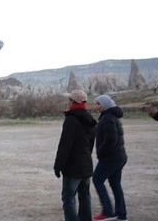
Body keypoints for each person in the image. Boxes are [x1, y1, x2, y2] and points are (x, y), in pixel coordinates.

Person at [54, 90, 97, 221]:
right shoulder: (90, 120)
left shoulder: (71, 120)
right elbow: (90, 145)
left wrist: (58, 165)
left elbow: (65, 146)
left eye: (70, 100)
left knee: (68, 198)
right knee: (85, 197)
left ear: (73, 102)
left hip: (73, 168)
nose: (68, 103)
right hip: (86, 165)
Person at [92, 95, 128, 221]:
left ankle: (107, 211)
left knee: (97, 179)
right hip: (118, 157)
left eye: (98, 104)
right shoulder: (111, 116)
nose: (96, 106)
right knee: (115, 184)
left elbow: (111, 140)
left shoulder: (107, 118)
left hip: (111, 158)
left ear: (105, 105)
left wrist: (101, 153)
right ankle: (121, 214)